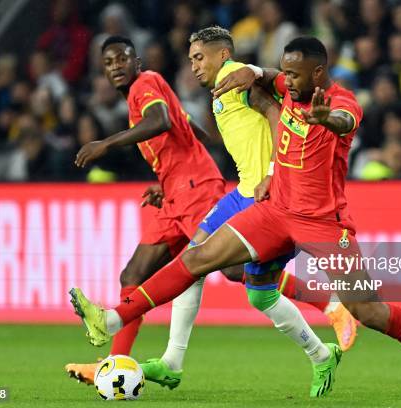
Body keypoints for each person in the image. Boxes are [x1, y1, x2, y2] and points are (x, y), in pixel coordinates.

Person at [70, 37, 401, 398]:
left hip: (322, 223)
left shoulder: (341, 102)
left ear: (318, 72)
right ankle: (111, 318)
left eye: (296, 75)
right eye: (285, 73)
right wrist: (254, 70)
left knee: (367, 311)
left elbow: (346, 120)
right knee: (199, 260)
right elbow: (268, 80)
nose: (288, 82)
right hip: (274, 212)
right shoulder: (287, 84)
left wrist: (325, 119)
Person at [138, 26, 357, 392]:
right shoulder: (221, 89)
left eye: (199, 57)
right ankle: (172, 361)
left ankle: (322, 347)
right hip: (241, 190)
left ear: (223, 54)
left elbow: (276, 115)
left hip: (263, 195)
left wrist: (272, 173)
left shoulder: (236, 78)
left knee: (248, 287)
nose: (193, 65)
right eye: (190, 58)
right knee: (202, 264)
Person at [65, 35, 226, 384]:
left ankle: (329, 306)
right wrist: (167, 181)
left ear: (135, 61)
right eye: (108, 64)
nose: (115, 67)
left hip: (195, 190)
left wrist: (105, 143)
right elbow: (183, 123)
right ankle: (114, 364)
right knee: (133, 276)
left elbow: (162, 121)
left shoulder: (145, 83)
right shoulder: (144, 93)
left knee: (237, 270)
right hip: (176, 195)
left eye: (121, 59)